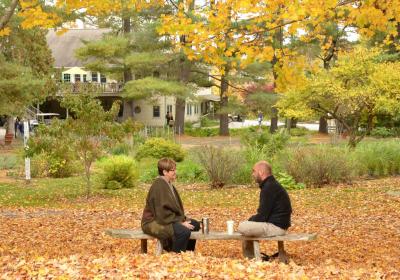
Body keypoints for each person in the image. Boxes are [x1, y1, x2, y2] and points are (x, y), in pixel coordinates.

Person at [141, 158, 200, 252]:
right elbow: (161, 212)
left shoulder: (168, 184)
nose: (175, 172)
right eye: (172, 170)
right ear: (165, 172)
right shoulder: (159, 185)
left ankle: (187, 253)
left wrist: (182, 219)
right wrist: (180, 222)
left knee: (195, 225)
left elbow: (171, 208)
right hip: (153, 222)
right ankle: (174, 255)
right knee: (183, 232)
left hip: (166, 218)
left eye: (175, 169)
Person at [238, 161, 292, 259]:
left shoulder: (269, 187)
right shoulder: (271, 185)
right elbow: (263, 214)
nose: (253, 174)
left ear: (261, 172)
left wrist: (249, 220)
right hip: (278, 225)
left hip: (276, 227)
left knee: (242, 226)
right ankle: (250, 256)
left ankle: (250, 257)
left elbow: (262, 216)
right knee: (248, 224)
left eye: (254, 171)